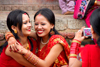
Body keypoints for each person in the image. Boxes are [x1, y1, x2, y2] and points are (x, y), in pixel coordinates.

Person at [5, 8, 70, 67]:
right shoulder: (38, 37)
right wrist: (10, 37)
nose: (39, 27)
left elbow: (45, 65)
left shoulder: (57, 42)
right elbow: (17, 32)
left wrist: (24, 51)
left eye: (43, 24)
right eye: (36, 24)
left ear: (52, 25)